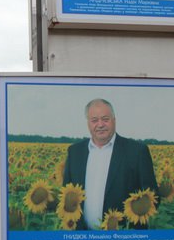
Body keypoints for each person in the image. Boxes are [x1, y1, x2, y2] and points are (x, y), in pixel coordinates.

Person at [62, 99, 158, 230]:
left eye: (105, 119)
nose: (100, 124)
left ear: (114, 120)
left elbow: (152, 197)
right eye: (94, 120)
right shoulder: (75, 152)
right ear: (88, 123)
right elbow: (67, 192)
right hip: (83, 238)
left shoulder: (137, 151)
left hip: (124, 239)